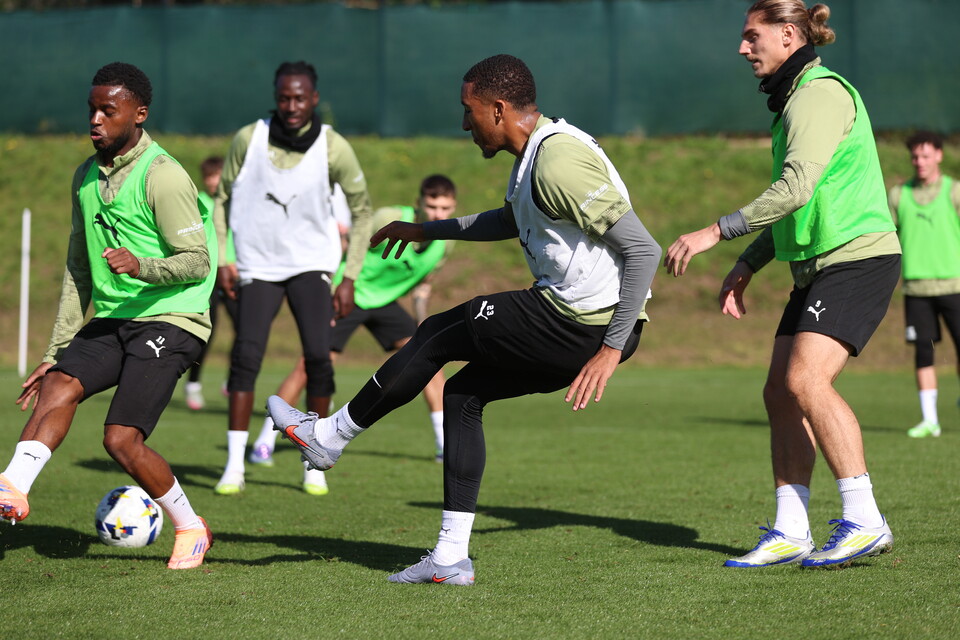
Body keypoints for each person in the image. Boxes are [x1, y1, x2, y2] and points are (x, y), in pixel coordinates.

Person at [267, 54, 661, 585]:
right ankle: (450, 559)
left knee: (439, 329)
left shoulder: (557, 160)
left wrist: (611, 348)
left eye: (468, 110)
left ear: (498, 109)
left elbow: (643, 249)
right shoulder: (532, 160)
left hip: (583, 322)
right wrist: (427, 231)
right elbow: (509, 219)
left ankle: (332, 435)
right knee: (462, 395)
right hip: (584, 322)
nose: (463, 123)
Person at [663, 0, 900, 568]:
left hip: (856, 258)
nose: (743, 49)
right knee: (779, 392)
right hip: (819, 264)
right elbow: (798, 204)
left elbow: (793, 190)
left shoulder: (818, 94)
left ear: (789, 35)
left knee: (806, 380)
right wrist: (748, 263)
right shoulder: (793, 102)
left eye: (753, 37)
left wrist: (713, 233)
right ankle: (792, 530)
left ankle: (865, 518)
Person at [0, 62, 214, 569]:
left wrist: (142, 266)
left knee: (120, 439)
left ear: (138, 115)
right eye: (91, 109)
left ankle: (190, 527)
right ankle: (13, 487)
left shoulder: (164, 176)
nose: (95, 119)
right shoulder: (85, 178)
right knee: (60, 381)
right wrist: (55, 352)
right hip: (116, 317)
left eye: (107, 111)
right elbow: (79, 270)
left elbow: (198, 261)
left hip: (173, 317)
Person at [212, 60, 373, 496]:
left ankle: (314, 463)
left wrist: (349, 276)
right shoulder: (249, 138)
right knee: (245, 357)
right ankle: (233, 467)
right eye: (284, 97)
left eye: (300, 97)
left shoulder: (333, 146)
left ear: (314, 98)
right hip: (257, 266)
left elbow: (362, 211)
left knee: (319, 358)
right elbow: (221, 199)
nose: (292, 105)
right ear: (275, 96)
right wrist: (224, 256)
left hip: (312, 266)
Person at [248, 175, 458, 471]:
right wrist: (332, 289)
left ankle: (442, 445)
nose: (438, 214)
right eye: (432, 206)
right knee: (311, 364)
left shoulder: (445, 243)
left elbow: (424, 284)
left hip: (385, 304)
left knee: (430, 361)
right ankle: (263, 443)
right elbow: (349, 246)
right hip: (350, 295)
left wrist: (423, 327)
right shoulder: (391, 217)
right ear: (419, 203)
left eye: (446, 208)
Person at [889, 131, 960, 438]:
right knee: (923, 352)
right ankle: (929, 420)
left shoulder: (954, 191)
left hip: (954, 286)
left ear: (939, 156)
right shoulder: (898, 195)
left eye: (926, 156)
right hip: (916, 290)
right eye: (915, 157)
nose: (919, 162)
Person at [183, 156, 238, 411]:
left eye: (218, 176)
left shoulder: (234, 203)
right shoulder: (196, 203)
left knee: (245, 331)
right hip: (210, 277)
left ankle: (233, 379)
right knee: (208, 332)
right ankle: (193, 384)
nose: (214, 182)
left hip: (236, 275)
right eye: (209, 177)